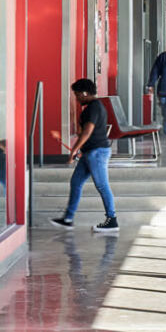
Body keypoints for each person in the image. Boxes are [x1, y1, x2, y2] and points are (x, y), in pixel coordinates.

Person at [50, 78, 120, 233]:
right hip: (89, 153)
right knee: (76, 182)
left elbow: (87, 132)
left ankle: (112, 220)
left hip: (97, 152)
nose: (76, 98)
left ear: (84, 93)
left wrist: (74, 151)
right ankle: (68, 219)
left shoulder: (94, 107)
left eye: (77, 95)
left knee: (102, 185)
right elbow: (85, 132)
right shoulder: (91, 107)